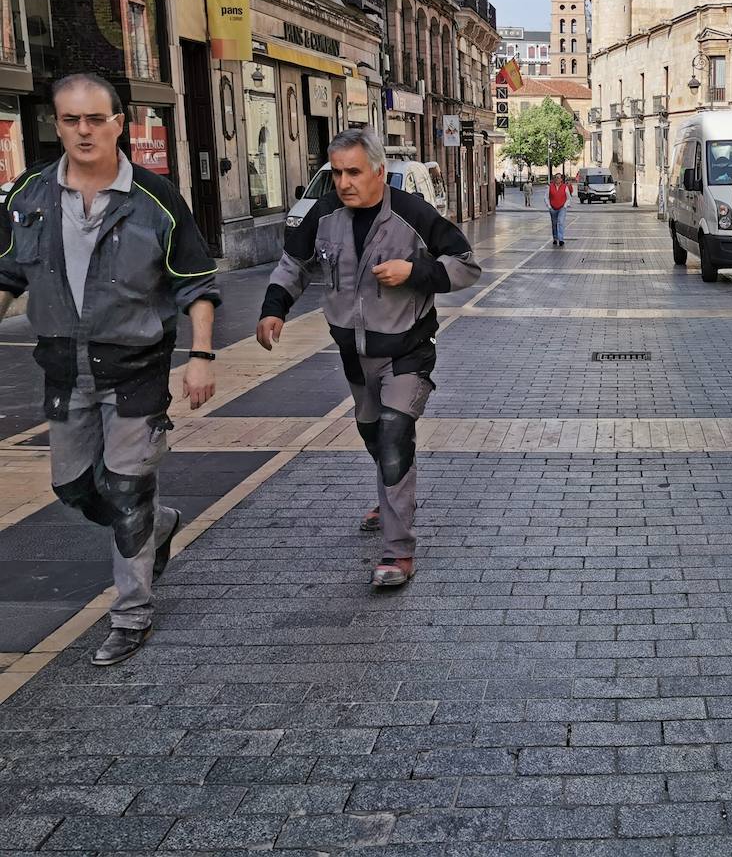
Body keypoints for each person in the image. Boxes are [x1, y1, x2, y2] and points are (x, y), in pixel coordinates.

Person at [0, 73, 219, 666]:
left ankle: (132, 613)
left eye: (96, 119)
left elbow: (195, 284)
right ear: (56, 123)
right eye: (71, 120)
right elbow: (7, 277)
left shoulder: (155, 198)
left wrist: (200, 356)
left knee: (126, 488)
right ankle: (159, 522)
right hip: (64, 371)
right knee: (72, 487)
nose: (83, 131)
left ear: (119, 122)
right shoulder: (30, 196)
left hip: (135, 371)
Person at [257, 128, 480, 588]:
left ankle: (397, 553)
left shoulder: (413, 213)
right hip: (354, 354)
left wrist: (416, 271)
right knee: (372, 432)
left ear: (379, 171)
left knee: (396, 436)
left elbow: (466, 263)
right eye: (337, 172)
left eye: (354, 172)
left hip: (407, 351)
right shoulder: (322, 216)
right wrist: (273, 311)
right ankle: (391, 494)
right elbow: (293, 266)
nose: (344, 182)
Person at [547, 172, 572, 247]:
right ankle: (555, 238)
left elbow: (568, 198)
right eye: (556, 177)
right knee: (554, 223)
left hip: (561, 208)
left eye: (559, 177)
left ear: (561, 179)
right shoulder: (550, 187)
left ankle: (561, 239)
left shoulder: (565, 187)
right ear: (554, 179)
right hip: (553, 208)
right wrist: (549, 206)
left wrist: (565, 206)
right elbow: (546, 197)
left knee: (560, 222)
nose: (557, 179)